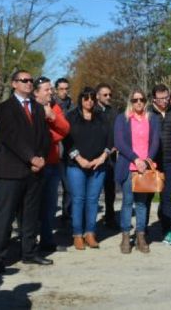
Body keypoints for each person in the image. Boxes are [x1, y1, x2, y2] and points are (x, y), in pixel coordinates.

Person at [0, 70, 52, 274]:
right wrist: (30, 157)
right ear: (14, 83)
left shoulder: (38, 108)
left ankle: (29, 252)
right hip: (12, 170)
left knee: (30, 215)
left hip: (35, 171)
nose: (28, 83)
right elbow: (10, 137)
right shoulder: (5, 108)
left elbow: (45, 136)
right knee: (5, 215)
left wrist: (40, 158)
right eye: (24, 80)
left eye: (31, 80)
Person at [64, 88, 113, 250]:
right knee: (78, 199)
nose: (89, 101)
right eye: (86, 98)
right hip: (76, 165)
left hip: (99, 165)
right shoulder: (71, 117)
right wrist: (79, 159)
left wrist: (102, 157)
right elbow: (66, 141)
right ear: (81, 100)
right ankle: (77, 234)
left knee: (93, 200)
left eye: (92, 98)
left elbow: (110, 140)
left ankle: (90, 233)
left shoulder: (102, 117)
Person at [114, 88, 161, 254]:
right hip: (129, 166)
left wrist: (147, 160)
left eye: (141, 99)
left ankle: (141, 235)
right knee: (127, 202)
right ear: (130, 102)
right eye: (135, 100)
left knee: (141, 204)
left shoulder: (152, 119)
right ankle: (126, 236)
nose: (139, 102)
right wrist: (135, 159)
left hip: (145, 168)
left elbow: (155, 141)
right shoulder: (123, 119)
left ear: (146, 101)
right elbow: (119, 142)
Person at [33, 77, 70, 254]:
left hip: (53, 163)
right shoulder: (30, 108)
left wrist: (52, 117)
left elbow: (65, 129)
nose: (51, 92)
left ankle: (47, 241)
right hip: (36, 165)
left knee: (49, 206)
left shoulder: (54, 106)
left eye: (50, 89)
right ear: (36, 92)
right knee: (33, 206)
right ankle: (30, 243)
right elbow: (38, 136)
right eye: (47, 90)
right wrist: (51, 135)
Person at [150, 84, 171, 246]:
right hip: (152, 161)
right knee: (147, 195)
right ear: (154, 99)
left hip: (170, 159)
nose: (164, 101)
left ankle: (168, 230)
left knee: (167, 196)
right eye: (160, 98)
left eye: (166, 98)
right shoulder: (148, 113)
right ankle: (144, 230)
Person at [96, 83, 118, 230]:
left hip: (111, 156)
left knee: (110, 189)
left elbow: (117, 132)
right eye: (105, 95)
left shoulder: (114, 112)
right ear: (97, 95)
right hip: (95, 156)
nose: (108, 97)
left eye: (110, 95)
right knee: (94, 191)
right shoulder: (91, 111)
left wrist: (116, 146)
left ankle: (110, 216)